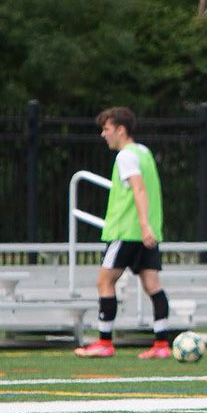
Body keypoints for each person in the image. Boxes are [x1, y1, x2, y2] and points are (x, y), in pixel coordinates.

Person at [75, 107, 171, 359]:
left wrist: (142, 224)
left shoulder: (125, 156)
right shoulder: (145, 152)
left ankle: (105, 341)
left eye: (106, 129)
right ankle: (161, 344)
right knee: (153, 285)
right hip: (146, 232)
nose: (103, 134)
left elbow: (139, 190)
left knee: (104, 282)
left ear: (120, 129)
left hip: (127, 231)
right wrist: (149, 226)